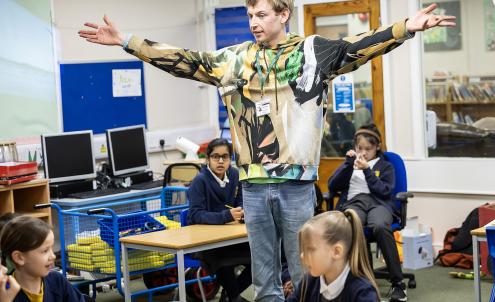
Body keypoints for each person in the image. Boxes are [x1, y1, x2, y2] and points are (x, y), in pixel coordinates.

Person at [78, 1, 455, 300]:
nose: (253, 22)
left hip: (297, 186)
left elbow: (358, 48)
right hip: (253, 187)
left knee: (306, 273)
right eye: (249, 15)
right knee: (265, 282)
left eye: (261, 14)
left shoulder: (312, 52)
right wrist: (127, 41)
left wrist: (406, 28)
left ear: (283, 14)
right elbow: (184, 60)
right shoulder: (234, 59)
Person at [328, 124, 406, 302]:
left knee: (379, 226)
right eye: (359, 148)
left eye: (368, 149)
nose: (363, 153)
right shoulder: (351, 164)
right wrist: (348, 165)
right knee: (350, 226)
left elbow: (385, 191)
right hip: (354, 202)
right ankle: (362, 279)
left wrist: (367, 170)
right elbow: (333, 185)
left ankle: (398, 283)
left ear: (377, 147)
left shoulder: (386, 166)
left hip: (379, 204)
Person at [187, 138, 252, 302]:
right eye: (216, 156)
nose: (221, 161)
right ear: (208, 159)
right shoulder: (199, 181)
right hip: (206, 243)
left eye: (225, 156)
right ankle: (234, 296)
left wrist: (242, 211)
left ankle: (231, 295)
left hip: (231, 238)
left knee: (262, 258)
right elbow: (195, 215)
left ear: (231, 159)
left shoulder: (235, 174)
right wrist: (226, 216)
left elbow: (241, 201)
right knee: (224, 261)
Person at [287, 209, 379, 302]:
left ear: (336, 252)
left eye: (310, 249)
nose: (302, 255)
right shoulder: (308, 282)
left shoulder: (363, 293)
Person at [0, 215, 86, 302]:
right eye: (45, 251)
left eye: (52, 248)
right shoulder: (6, 293)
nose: (53, 256)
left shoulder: (57, 281)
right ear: (19, 258)